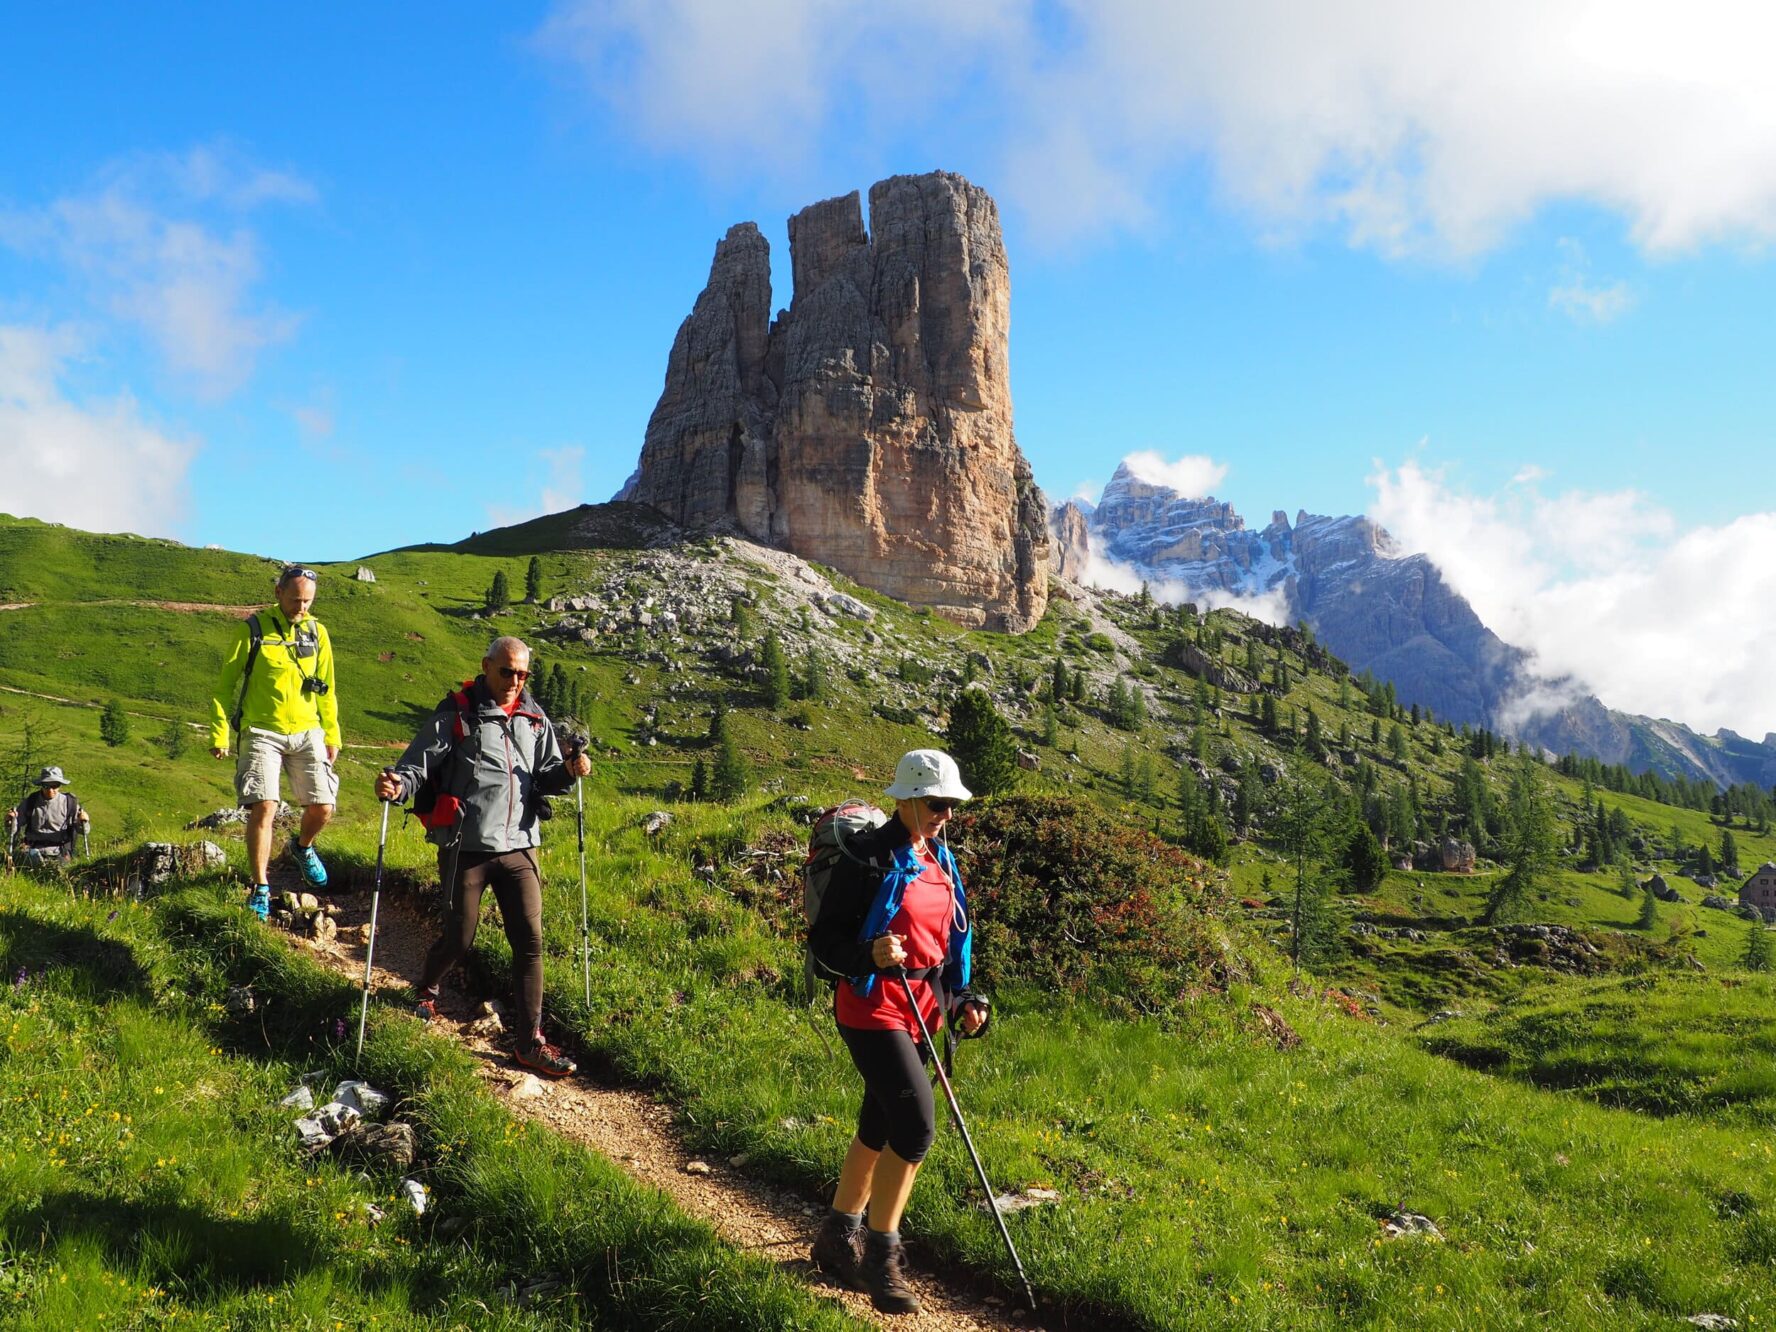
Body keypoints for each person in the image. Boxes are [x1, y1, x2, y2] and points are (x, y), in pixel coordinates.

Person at [808, 748, 990, 1315]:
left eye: (951, 805)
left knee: (881, 1120)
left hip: (923, 1005)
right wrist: (869, 952)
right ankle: (881, 1258)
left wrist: (964, 1000)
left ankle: (839, 1237)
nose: (947, 815)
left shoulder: (939, 860)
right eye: (937, 804)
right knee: (914, 1128)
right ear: (906, 799)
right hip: (871, 1006)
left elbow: (943, 949)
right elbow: (825, 944)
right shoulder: (866, 860)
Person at [374, 635, 591, 1079]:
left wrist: (568, 772)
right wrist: (397, 786)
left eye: (523, 673)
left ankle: (529, 1042)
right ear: (486, 666)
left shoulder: (534, 718)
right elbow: (418, 766)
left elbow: (546, 776)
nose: (515, 681)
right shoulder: (458, 713)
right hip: (465, 847)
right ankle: (427, 988)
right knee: (460, 938)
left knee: (530, 943)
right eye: (507, 671)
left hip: (519, 847)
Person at [208, 565, 340, 920]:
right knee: (264, 805)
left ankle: (301, 848)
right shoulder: (251, 630)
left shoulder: (317, 632)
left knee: (323, 806)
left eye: (308, 601)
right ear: (278, 593)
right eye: (295, 599)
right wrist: (220, 733)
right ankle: (261, 887)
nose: (301, 608)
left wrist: (332, 733)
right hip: (261, 730)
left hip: (307, 730)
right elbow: (224, 688)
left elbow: (326, 688)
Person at [5, 766, 90, 867]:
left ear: (60, 785)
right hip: (32, 851)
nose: (50, 790)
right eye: (46, 786)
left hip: (60, 853)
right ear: (41, 785)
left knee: (57, 874)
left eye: (55, 785)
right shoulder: (31, 801)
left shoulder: (69, 803)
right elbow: (13, 829)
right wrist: (10, 821)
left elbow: (84, 831)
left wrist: (83, 822)